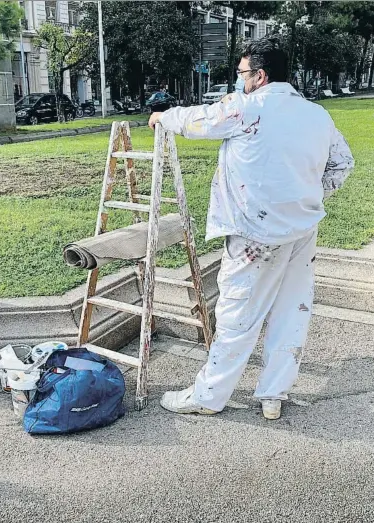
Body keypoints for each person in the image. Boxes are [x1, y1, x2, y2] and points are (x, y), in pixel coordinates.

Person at [149, 36, 354, 420]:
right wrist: (310, 194)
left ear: (259, 75)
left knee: (238, 314)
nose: (239, 79)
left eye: (242, 73)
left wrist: (163, 116)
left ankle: (209, 396)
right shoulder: (316, 114)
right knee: (292, 310)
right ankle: (273, 394)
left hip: (254, 234)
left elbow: (199, 120)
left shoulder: (246, 107)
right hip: (302, 228)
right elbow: (342, 164)